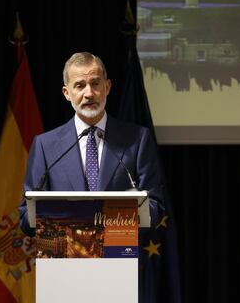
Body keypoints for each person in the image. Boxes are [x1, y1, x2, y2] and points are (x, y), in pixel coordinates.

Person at [20, 51, 165, 233]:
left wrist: (111, 215)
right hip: (64, 257)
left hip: (119, 255)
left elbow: (155, 207)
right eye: (80, 86)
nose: (89, 93)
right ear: (67, 93)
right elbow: (26, 217)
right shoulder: (45, 146)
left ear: (107, 87)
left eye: (95, 84)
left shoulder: (137, 139)